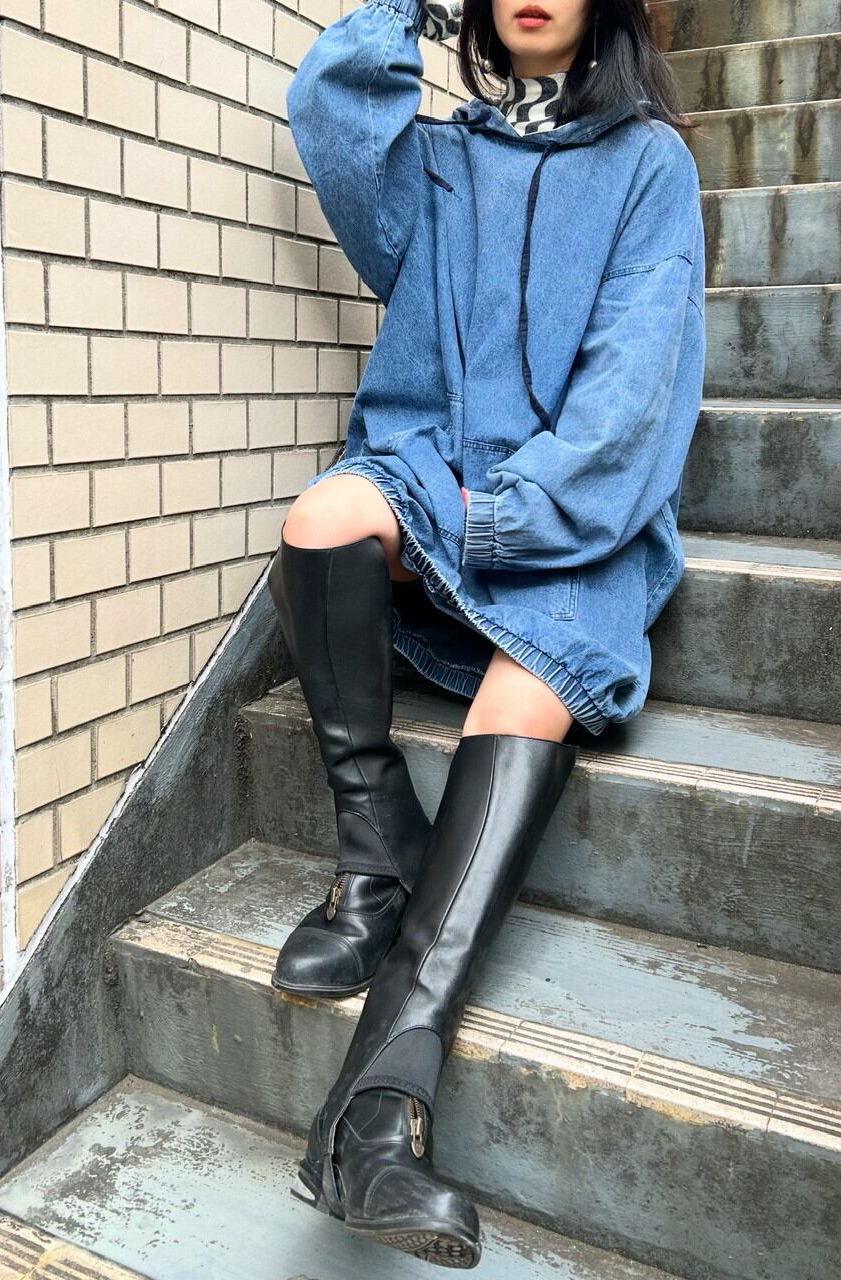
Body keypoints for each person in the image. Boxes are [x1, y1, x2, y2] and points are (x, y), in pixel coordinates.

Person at [266, 0, 706, 1266]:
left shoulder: (650, 165)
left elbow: (634, 400)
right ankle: (376, 854)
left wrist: (503, 515)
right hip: (431, 474)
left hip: (577, 519)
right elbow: (329, 108)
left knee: (528, 687)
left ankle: (376, 1109)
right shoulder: (441, 160)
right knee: (322, 513)